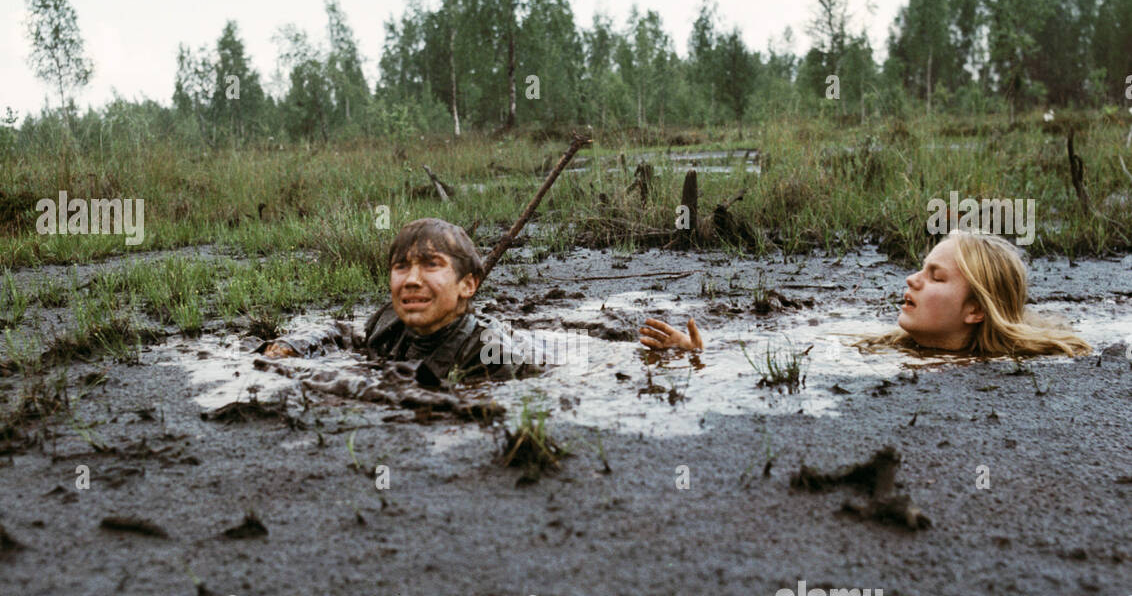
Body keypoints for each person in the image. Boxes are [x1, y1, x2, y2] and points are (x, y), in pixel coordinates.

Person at [638, 231, 1092, 359]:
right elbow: (787, 350)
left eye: (935, 277)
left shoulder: (1001, 368)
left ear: (975, 309)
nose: (911, 280)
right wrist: (697, 350)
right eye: (920, 269)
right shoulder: (887, 347)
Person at [259, 217, 532, 386]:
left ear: (468, 284)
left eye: (431, 265)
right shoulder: (390, 319)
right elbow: (346, 334)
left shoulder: (491, 355)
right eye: (401, 266)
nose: (412, 280)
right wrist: (290, 347)